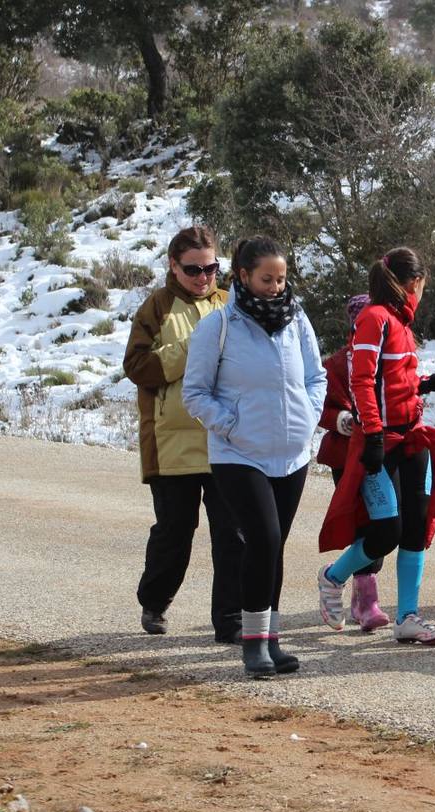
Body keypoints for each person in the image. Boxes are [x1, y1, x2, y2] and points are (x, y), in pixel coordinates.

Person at [183, 236, 327, 677]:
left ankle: (272, 639)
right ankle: (252, 643)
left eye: (281, 279)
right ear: (243, 276)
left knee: (275, 546)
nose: (275, 287)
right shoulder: (218, 326)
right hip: (238, 455)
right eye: (267, 278)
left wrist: (308, 416)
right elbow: (195, 393)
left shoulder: (296, 319)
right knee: (262, 540)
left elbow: (316, 376)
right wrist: (231, 425)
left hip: (291, 455)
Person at [316, 247, 435, 646]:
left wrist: (432, 383)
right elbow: (363, 382)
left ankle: (407, 617)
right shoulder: (374, 317)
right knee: (386, 532)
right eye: (422, 287)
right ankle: (333, 578)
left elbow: (394, 383)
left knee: (415, 527)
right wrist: (374, 434)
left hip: (413, 434)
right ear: (413, 284)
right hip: (381, 441)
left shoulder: (401, 323)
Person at [123, 225, 244, 644]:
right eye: (193, 269)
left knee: (232, 533)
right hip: (171, 442)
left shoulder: (231, 304)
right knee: (175, 531)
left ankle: (229, 620)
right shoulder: (156, 307)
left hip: (225, 439)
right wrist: (195, 346)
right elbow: (137, 368)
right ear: (173, 267)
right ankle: (154, 602)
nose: (203, 277)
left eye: (211, 268)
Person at [314, 293, 387, 632]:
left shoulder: (390, 358)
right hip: (345, 455)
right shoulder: (335, 364)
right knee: (363, 522)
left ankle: (362, 597)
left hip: (384, 450)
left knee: (385, 522)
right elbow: (319, 407)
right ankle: (367, 601)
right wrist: (340, 418)